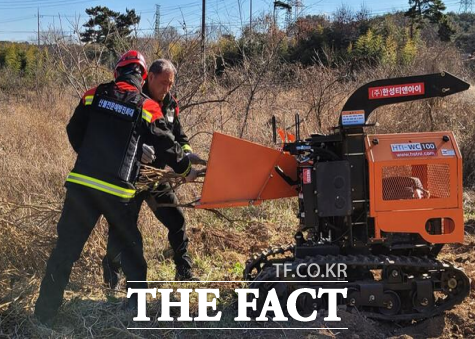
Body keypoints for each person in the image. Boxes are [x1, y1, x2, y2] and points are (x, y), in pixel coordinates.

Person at [34, 51, 197, 325]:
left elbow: (73, 130)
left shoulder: (93, 94)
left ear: (116, 72)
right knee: (133, 252)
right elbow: (168, 144)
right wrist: (185, 170)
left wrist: (89, 157)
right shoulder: (145, 105)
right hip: (118, 191)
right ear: (144, 77)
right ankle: (136, 309)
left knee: (64, 251)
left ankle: (43, 316)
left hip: (82, 185)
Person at [102, 59, 206, 287]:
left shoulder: (170, 104)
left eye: (170, 84)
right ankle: (111, 276)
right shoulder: (133, 99)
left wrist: (186, 154)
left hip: (157, 177)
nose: (167, 89)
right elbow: (115, 134)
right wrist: (138, 149)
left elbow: (179, 136)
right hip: (133, 176)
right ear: (149, 78)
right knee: (122, 227)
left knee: (177, 220)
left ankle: (183, 271)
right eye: (163, 83)